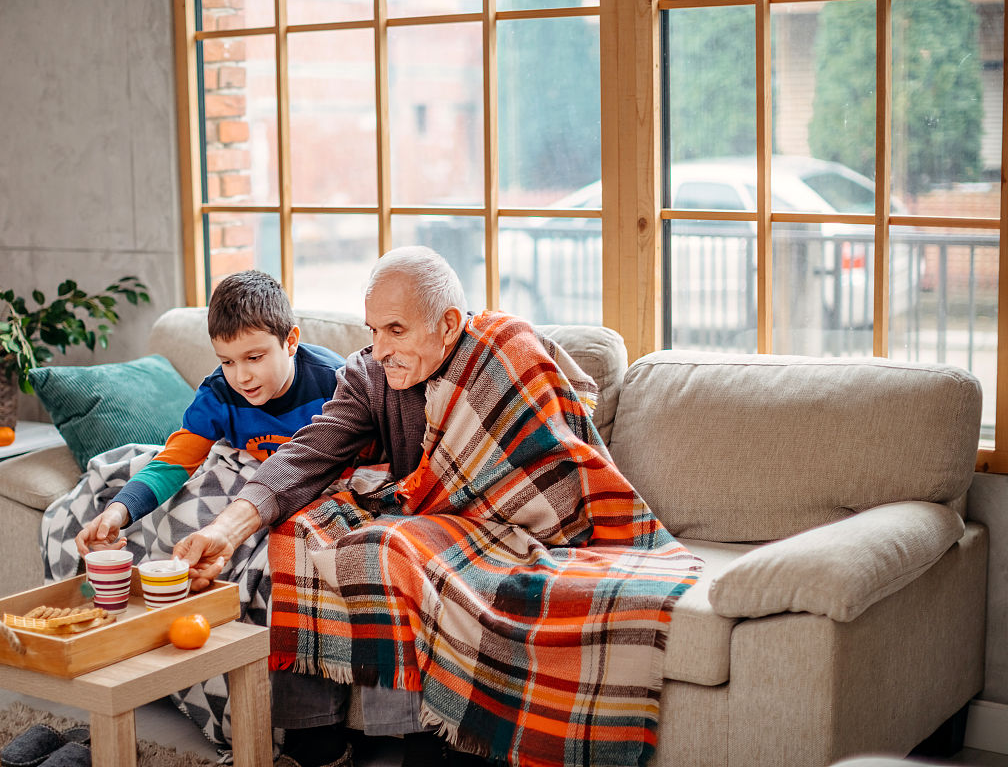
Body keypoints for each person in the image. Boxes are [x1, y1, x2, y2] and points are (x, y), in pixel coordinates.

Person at [173, 247, 700, 767]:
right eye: (372, 330)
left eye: (395, 330)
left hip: (527, 531)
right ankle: (318, 746)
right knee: (307, 530)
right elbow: (310, 451)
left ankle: (427, 744)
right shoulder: (370, 375)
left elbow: (562, 477)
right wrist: (227, 529)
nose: (379, 349)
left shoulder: (503, 351)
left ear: (448, 324)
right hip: (430, 521)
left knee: (392, 544)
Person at [75, 269, 345, 555]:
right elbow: (175, 460)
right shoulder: (218, 393)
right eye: (228, 362)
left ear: (290, 342)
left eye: (254, 358)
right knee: (176, 519)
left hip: (310, 486)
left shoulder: (334, 381)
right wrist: (119, 510)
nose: (242, 377)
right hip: (248, 488)